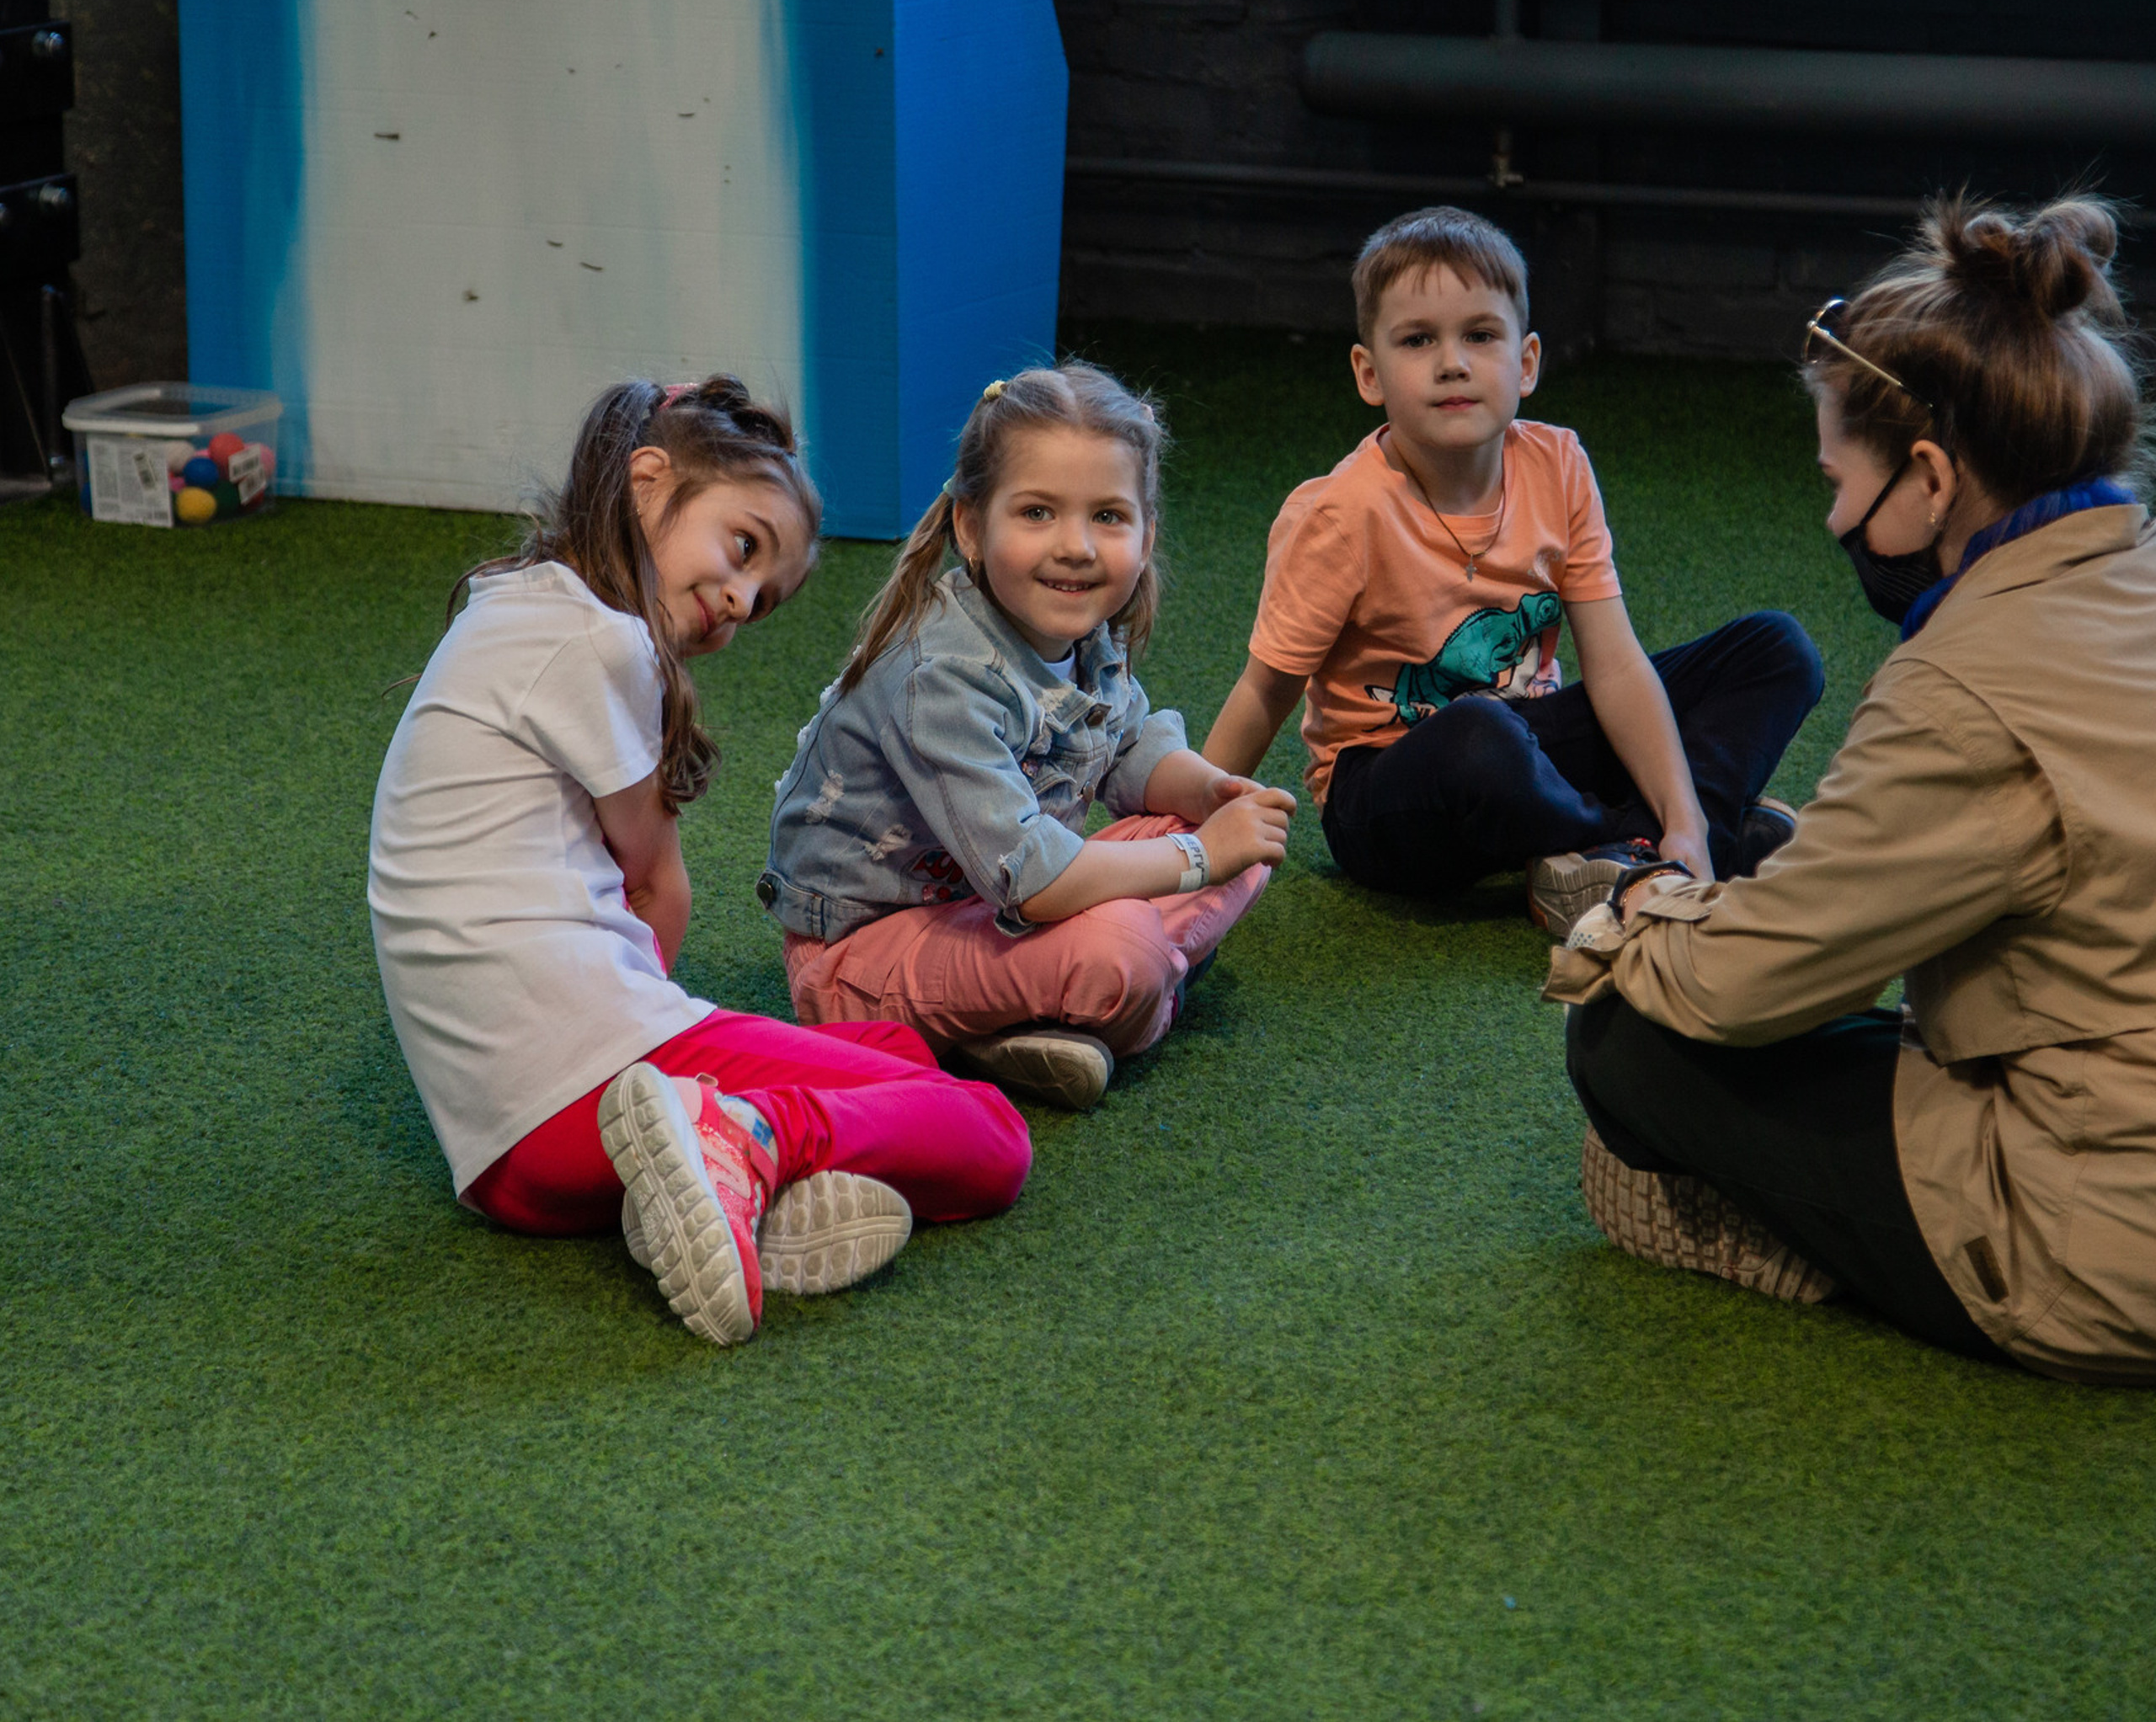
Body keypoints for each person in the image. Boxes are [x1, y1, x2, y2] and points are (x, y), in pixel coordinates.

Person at [1550, 194, 2156, 1382]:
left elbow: (1741, 984)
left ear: (1929, 477)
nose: (1835, 516)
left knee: (1629, 1040)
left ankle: (1805, 1246)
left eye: (1841, 481)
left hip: (2101, 1251)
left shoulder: (1961, 691)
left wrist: (1625, 918)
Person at [369, 376, 1032, 1351]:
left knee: (892, 1053)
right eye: (743, 546)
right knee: (984, 1130)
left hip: (505, 1164)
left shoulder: (517, 602)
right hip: (586, 1078)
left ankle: (729, 1184)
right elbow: (654, 891)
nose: (740, 599)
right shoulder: (601, 643)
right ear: (649, 481)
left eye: (761, 600)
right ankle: (756, 1142)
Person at [1203, 206, 1822, 930]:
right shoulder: (1338, 515)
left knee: (1777, 651)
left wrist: (1686, 813)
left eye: (1480, 335)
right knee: (1480, 734)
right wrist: (1187, 831)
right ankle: (1619, 845)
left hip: (1530, 743)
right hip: (1387, 794)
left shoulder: (1558, 465)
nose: (1452, 361)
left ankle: (1684, 846)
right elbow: (1265, 690)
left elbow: (1616, 664)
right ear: (1369, 374)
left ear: (1525, 363)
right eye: (1417, 340)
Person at [760, 362, 1294, 1114]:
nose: (1075, 546)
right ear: (971, 527)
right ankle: (1128, 996)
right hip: (866, 954)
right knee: (1132, 943)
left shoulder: (1082, 629)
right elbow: (1036, 883)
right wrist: (1199, 856)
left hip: (998, 905)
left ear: (1146, 534)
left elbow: (1130, 746)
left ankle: (1023, 1027)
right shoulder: (938, 676)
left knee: (1245, 844)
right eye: (1038, 512)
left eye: (1108, 516)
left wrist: (1207, 793)